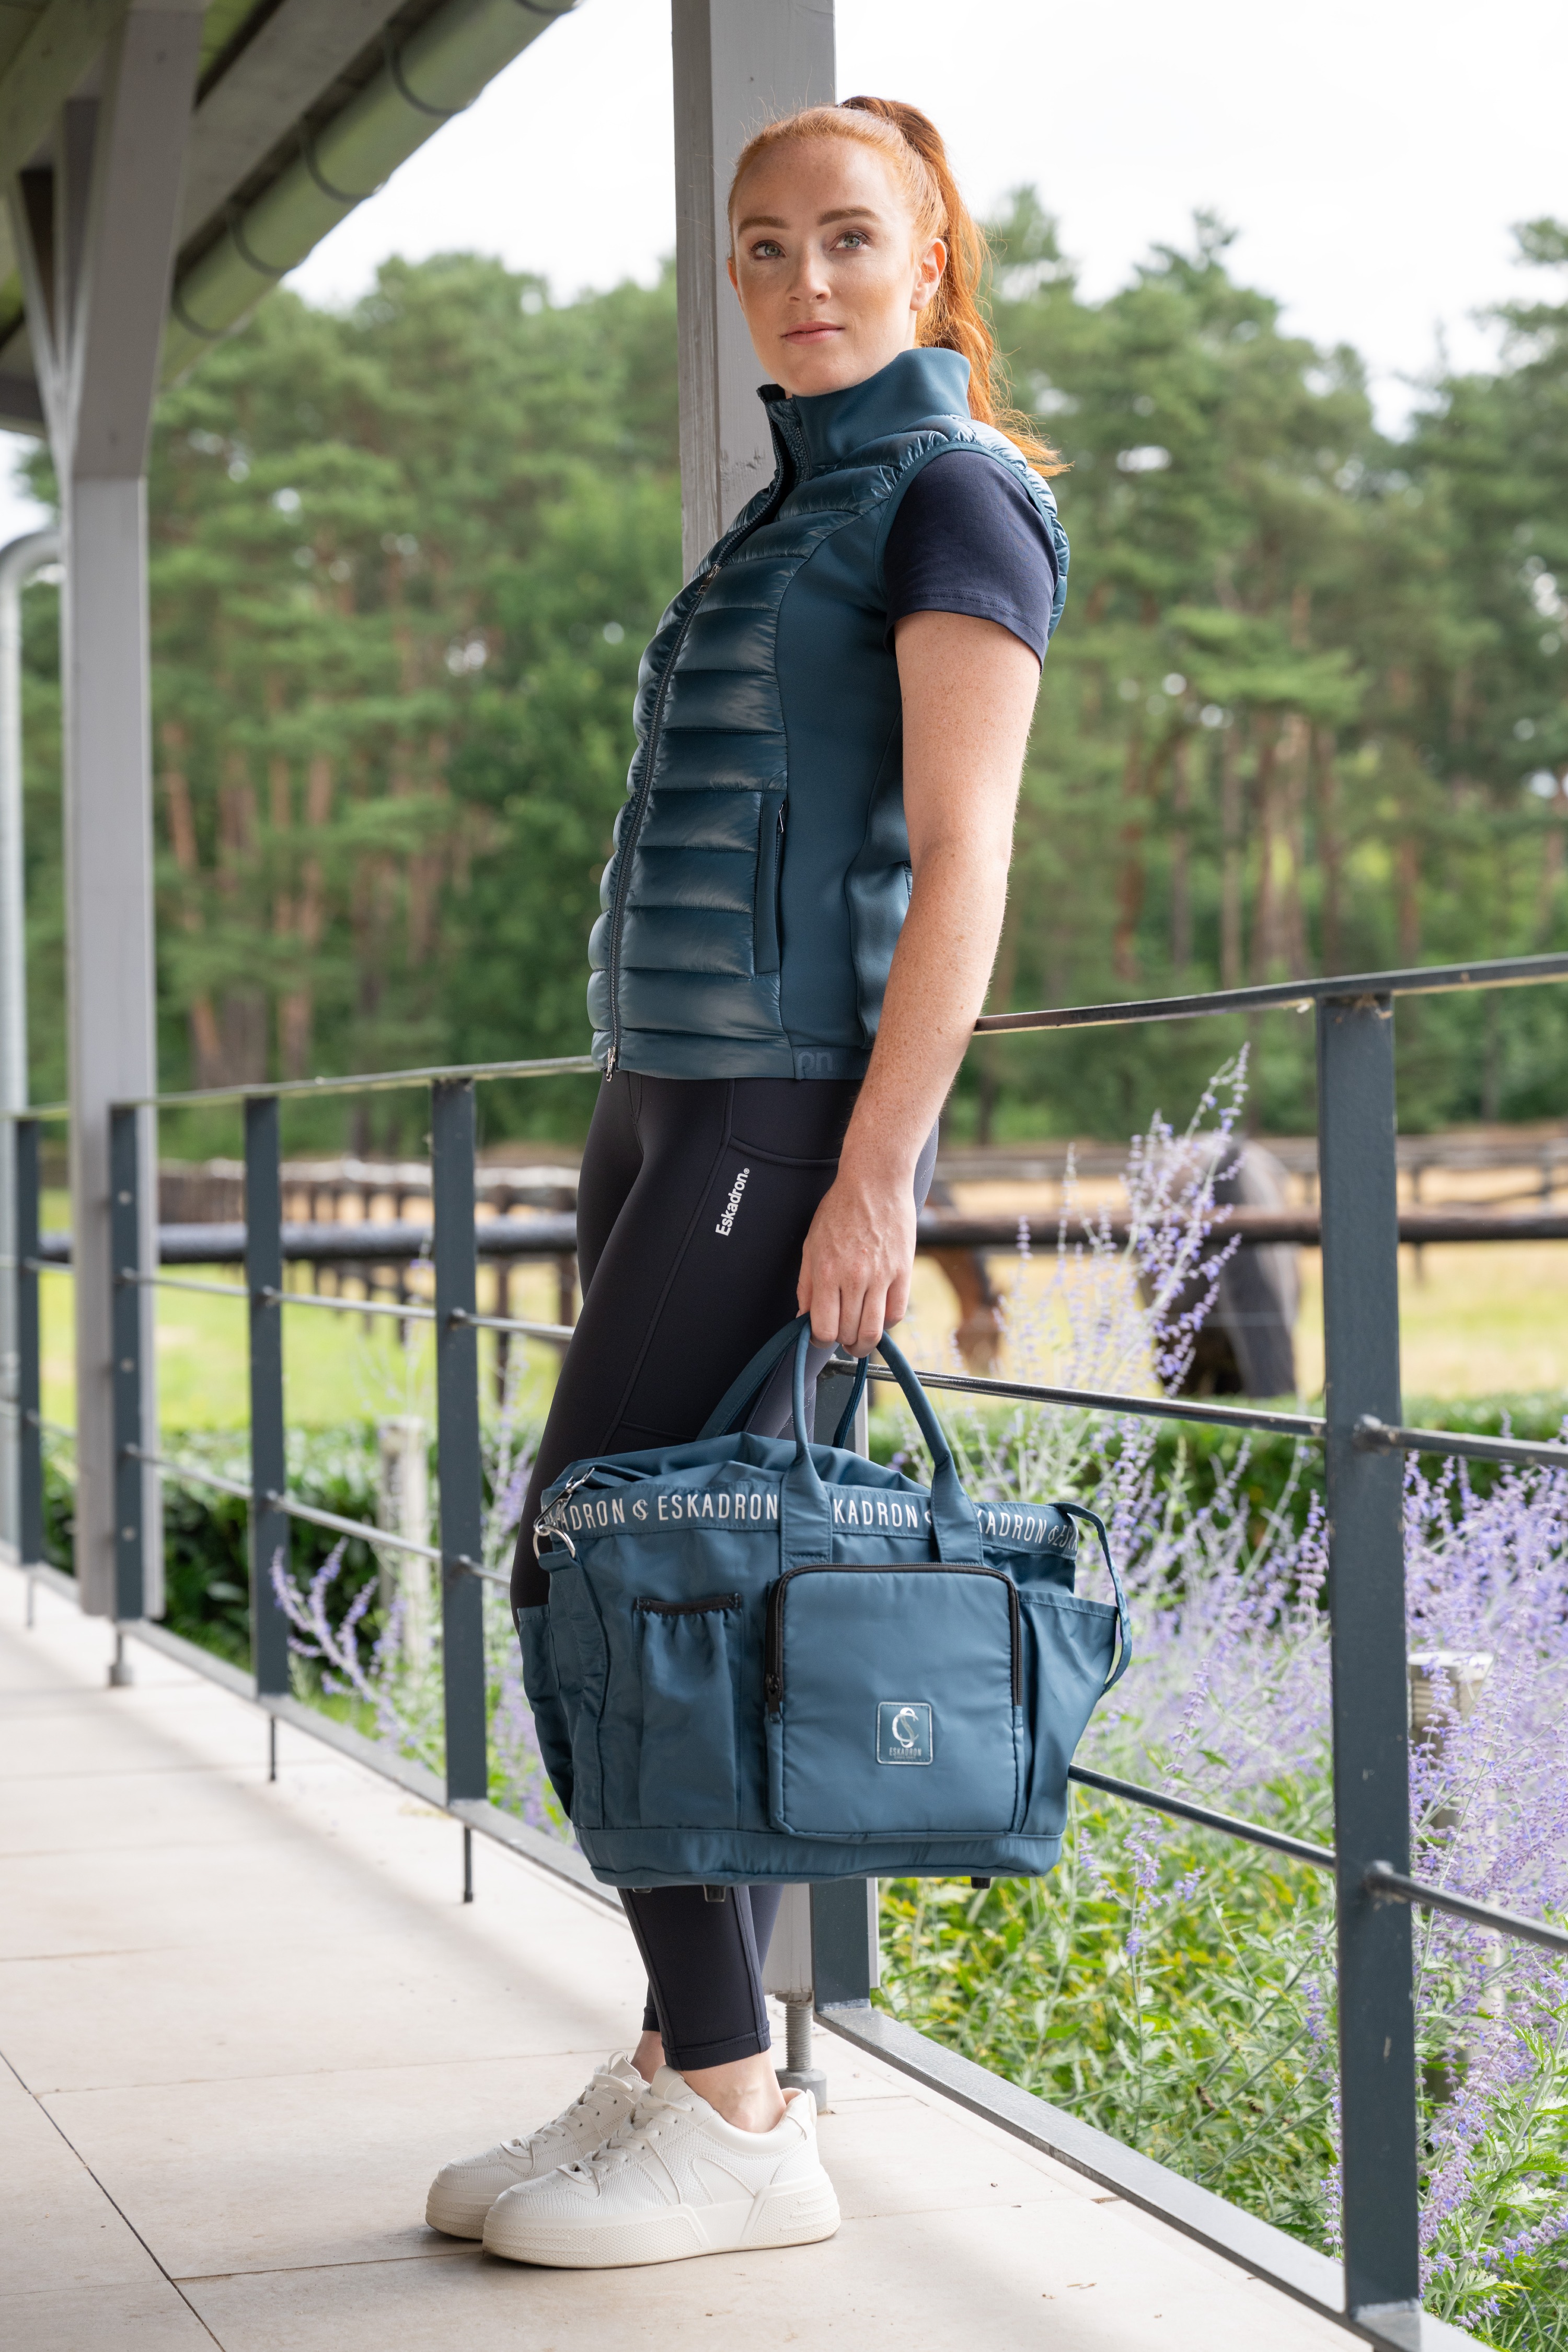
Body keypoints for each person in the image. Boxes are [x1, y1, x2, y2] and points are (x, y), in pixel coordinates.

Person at [426, 94, 1067, 2272]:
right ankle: (682, 2060)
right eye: (765, 245)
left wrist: (877, 1177)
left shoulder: (957, 498)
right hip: (665, 1106)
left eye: (850, 239)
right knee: (685, 1568)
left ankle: (735, 2105)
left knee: (591, 1563)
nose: (805, 280)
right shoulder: (790, 510)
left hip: (784, 1120)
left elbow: (965, 867)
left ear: (930, 255)